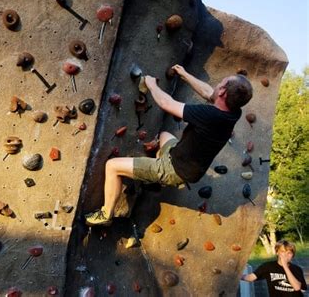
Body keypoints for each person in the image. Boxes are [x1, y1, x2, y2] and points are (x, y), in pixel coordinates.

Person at [85, 64, 253, 226]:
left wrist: (151, 86)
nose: (217, 85)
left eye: (221, 83)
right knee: (164, 135)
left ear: (222, 91)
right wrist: (185, 75)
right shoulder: (233, 111)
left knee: (112, 166)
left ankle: (106, 214)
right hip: (184, 160)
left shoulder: (209, 115)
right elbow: (210, 93)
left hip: (175, 169)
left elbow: (167, 104)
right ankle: (154, 179)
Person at [241, 240, 307, 296]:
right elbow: (250, 277)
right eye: (283, 251)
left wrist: (285, 267)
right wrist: (235, 276)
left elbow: (297, 287)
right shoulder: (268, 266)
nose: (285, 255)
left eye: (289, 253)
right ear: (277, 252)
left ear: (293, 255)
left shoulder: (297, 269)